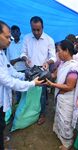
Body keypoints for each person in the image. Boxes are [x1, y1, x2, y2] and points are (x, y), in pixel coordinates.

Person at [0, 20, 43, 150]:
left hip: (2, 98)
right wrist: (31, 83)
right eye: (7, 37)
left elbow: (10, 70)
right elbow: (8, 80)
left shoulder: (1, 52)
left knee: (1, 123)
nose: (10, 40)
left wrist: (25, 75)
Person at [46, 40, 78, 150]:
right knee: (60, 117)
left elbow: (69, 87)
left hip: (68, 99)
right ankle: (60, 134)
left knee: (65, 120)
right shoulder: (63, 63)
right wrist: (44, 75)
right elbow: (54, 74)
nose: (57, 54)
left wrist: (52, 84)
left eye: (59, 51)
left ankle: (67, 143)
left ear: (66, 51)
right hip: (61, 97)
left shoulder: (73, 67)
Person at [21, 16, 56, 125]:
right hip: (30, 70)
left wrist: (48, 63)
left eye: (38, 29)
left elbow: (53, 57)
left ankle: (42, 114)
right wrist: (26, 59)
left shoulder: (49, 39)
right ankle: (29, 112)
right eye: (33, 29)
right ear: (31, 27)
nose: (36, 32)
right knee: (29, 92)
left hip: (42, 71)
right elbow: (23, 53)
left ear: (43, 27)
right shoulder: (26, 38)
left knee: (42, 95)